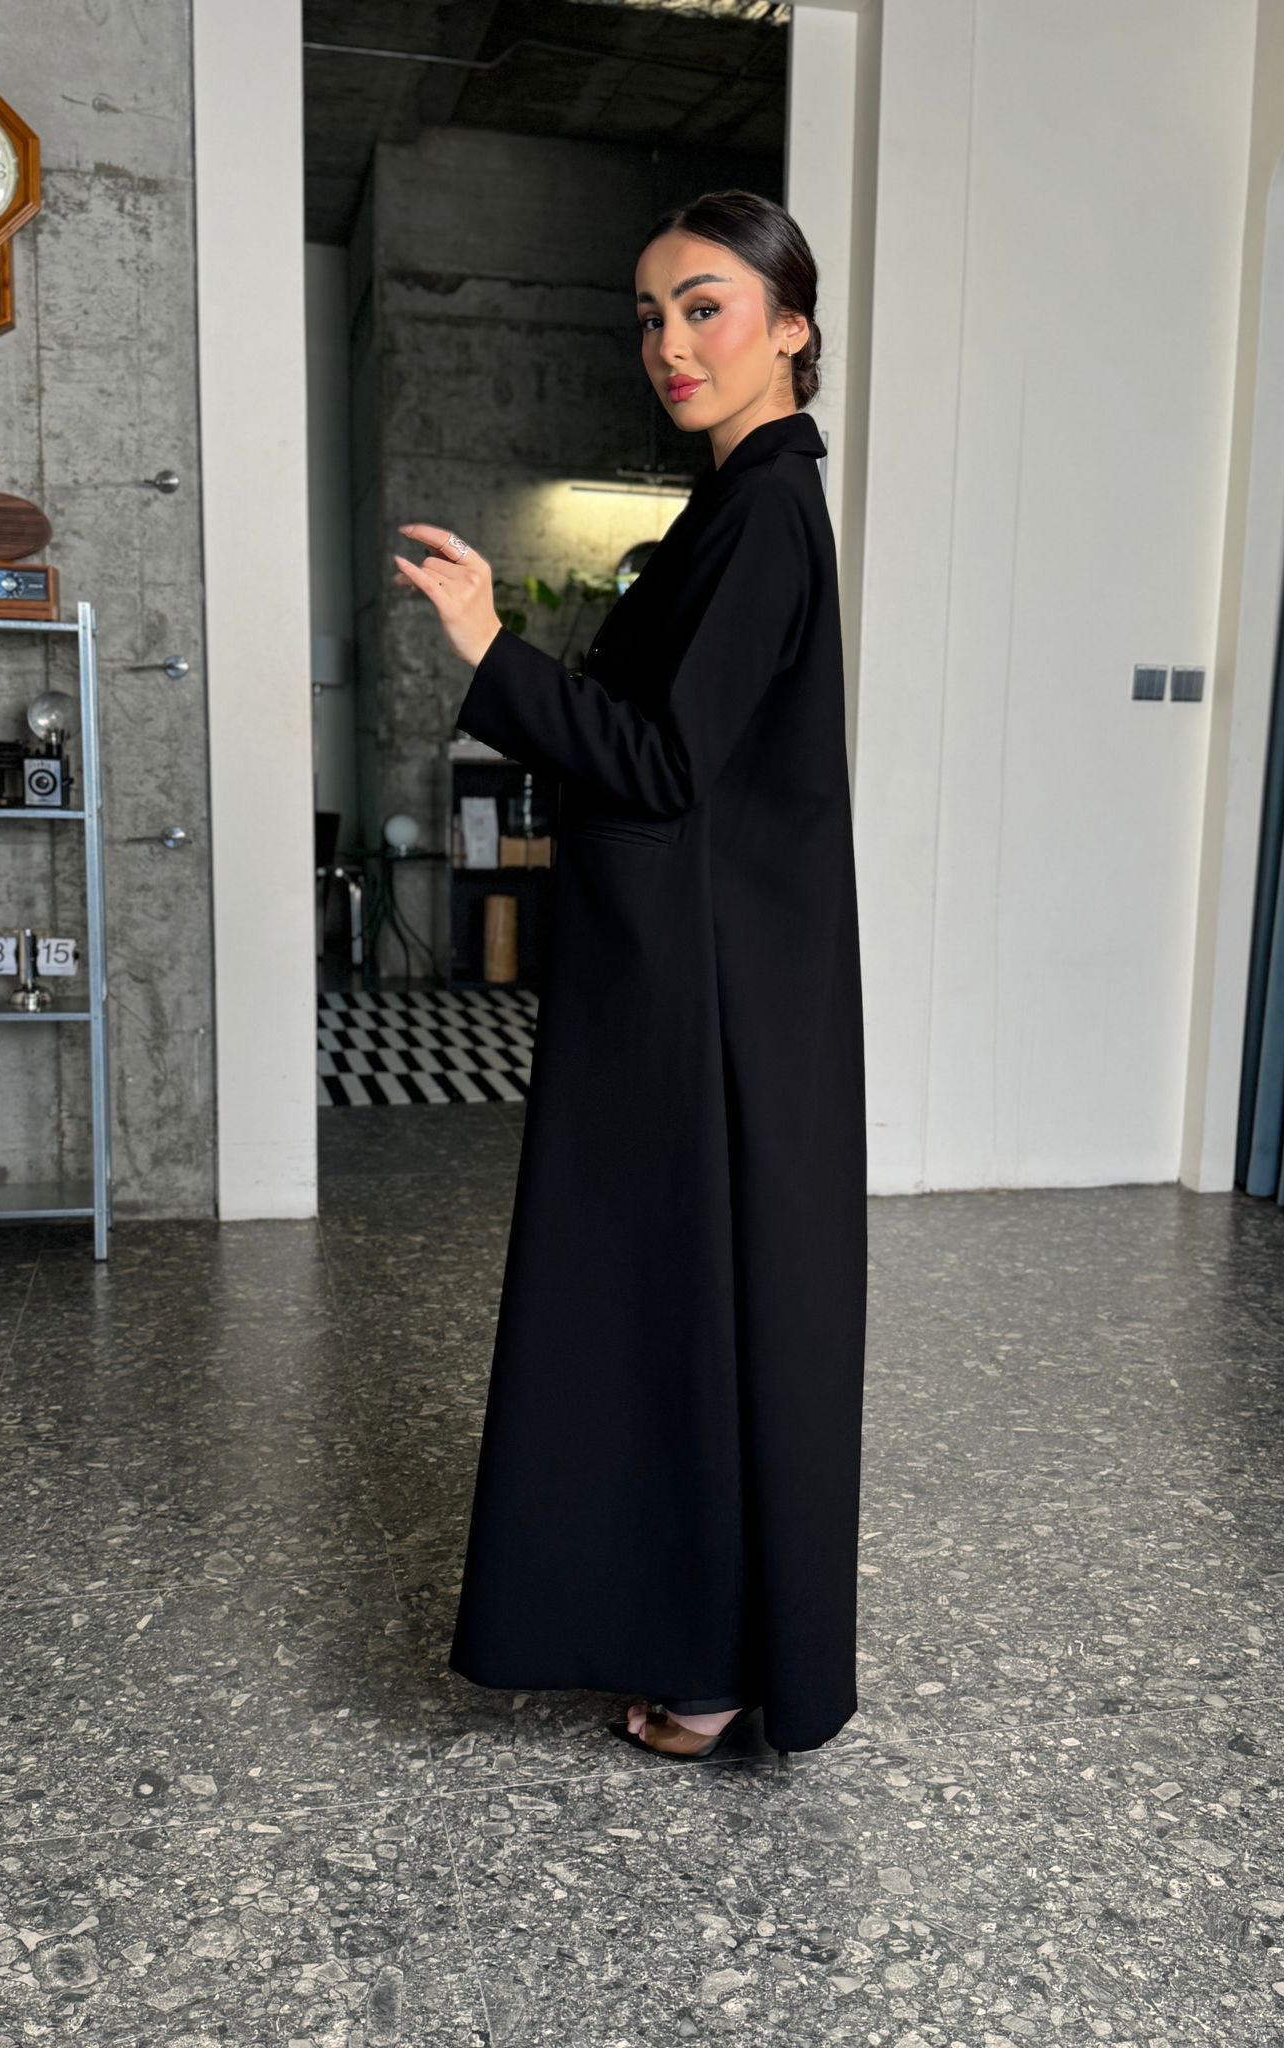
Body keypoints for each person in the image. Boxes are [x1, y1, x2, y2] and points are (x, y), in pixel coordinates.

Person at [393, 189, 866, 1764]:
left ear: (791, 325)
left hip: (705, 1002)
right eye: (652, 316)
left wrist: (489, 646)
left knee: (684, 1312)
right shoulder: (733, 504)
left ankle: (713, 1665)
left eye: (705, 306)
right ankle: (695, 1643)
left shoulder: (764, 513)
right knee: (673, 1311)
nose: (671, 342)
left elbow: (663, 763)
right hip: (688, 982)